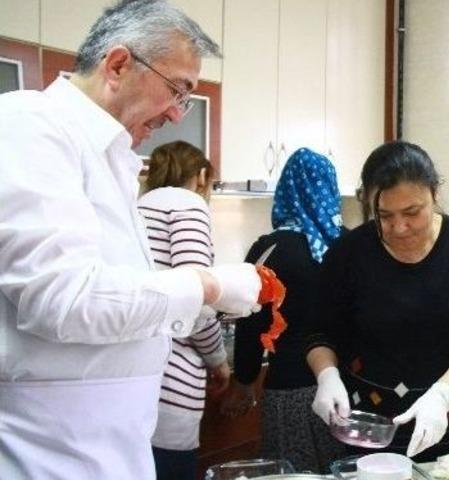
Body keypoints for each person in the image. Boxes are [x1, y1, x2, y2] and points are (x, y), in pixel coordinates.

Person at [0, 2, 262, 479]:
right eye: (178, 89)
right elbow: (65, 298)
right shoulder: (29, 125)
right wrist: (206, 285)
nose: (179, 113)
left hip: (110, 448)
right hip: (48, 455)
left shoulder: (114, 159)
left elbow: (120, 297)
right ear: (119, 64)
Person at [305, 141, 449, 461]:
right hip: (369, 430)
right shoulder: (349, 253)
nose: (399, 227)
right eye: (384, 215)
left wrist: (443, 395)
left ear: (435, 194)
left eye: (412, 212)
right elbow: (320, 332)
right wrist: (326, 376)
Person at [221, 148, 348, 472]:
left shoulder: (271, 249)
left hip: (289, 391)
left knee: (293, 473)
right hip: (345, 390)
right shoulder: (350, 245)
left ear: (287, 188)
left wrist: (245, 381)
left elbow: (251, 323)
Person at [138, 140, 231, 479]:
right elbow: (195, 300)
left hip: (133, 381)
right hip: (172, 381)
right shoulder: (188, 206)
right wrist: (218, 361)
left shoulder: (137, 208)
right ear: (201, 175)